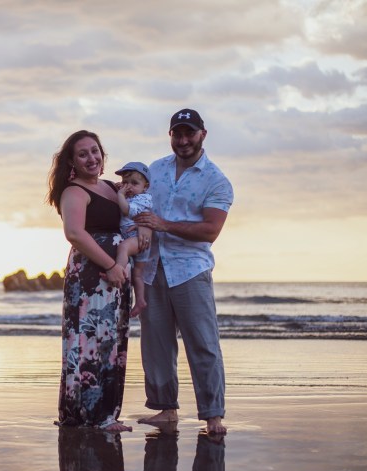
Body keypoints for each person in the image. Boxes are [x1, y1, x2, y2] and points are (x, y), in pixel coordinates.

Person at [134, 108, 233, 436]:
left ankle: (213, 415)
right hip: (151, 268)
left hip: (191, 271)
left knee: (203, 344)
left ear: (202, 134)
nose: (183, 140)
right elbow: (137, 205)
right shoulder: (155, 170)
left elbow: (209, 231)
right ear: (171, 136)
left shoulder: (216, 180)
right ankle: (166, 409)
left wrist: (163, 224)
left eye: (189, 133)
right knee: (156, 344)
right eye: (178, 133)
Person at [47, 130, 140, 432]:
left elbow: (139, 214)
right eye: (83, 153)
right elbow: (75, 233)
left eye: (95, 151)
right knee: (89, 341)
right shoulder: (73, 191)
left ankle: (106, 413)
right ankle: (90, 415)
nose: (92, 158)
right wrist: (112, 264)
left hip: (116, 274)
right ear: (72, 162)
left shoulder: (114, 188)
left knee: (111, 341)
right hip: (92, 275)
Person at [113, 161, 153, 318]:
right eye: (125, 183)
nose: (128, 187)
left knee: (123, 248)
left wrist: (120, 194)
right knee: (137, 274)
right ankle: (140, 300)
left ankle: (118, 271)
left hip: (137, 238)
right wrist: (120, 189)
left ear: (145, 186)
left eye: (134, 183)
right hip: (136, 239)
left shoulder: (143, 198)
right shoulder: (131, 195)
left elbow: (127, 210)